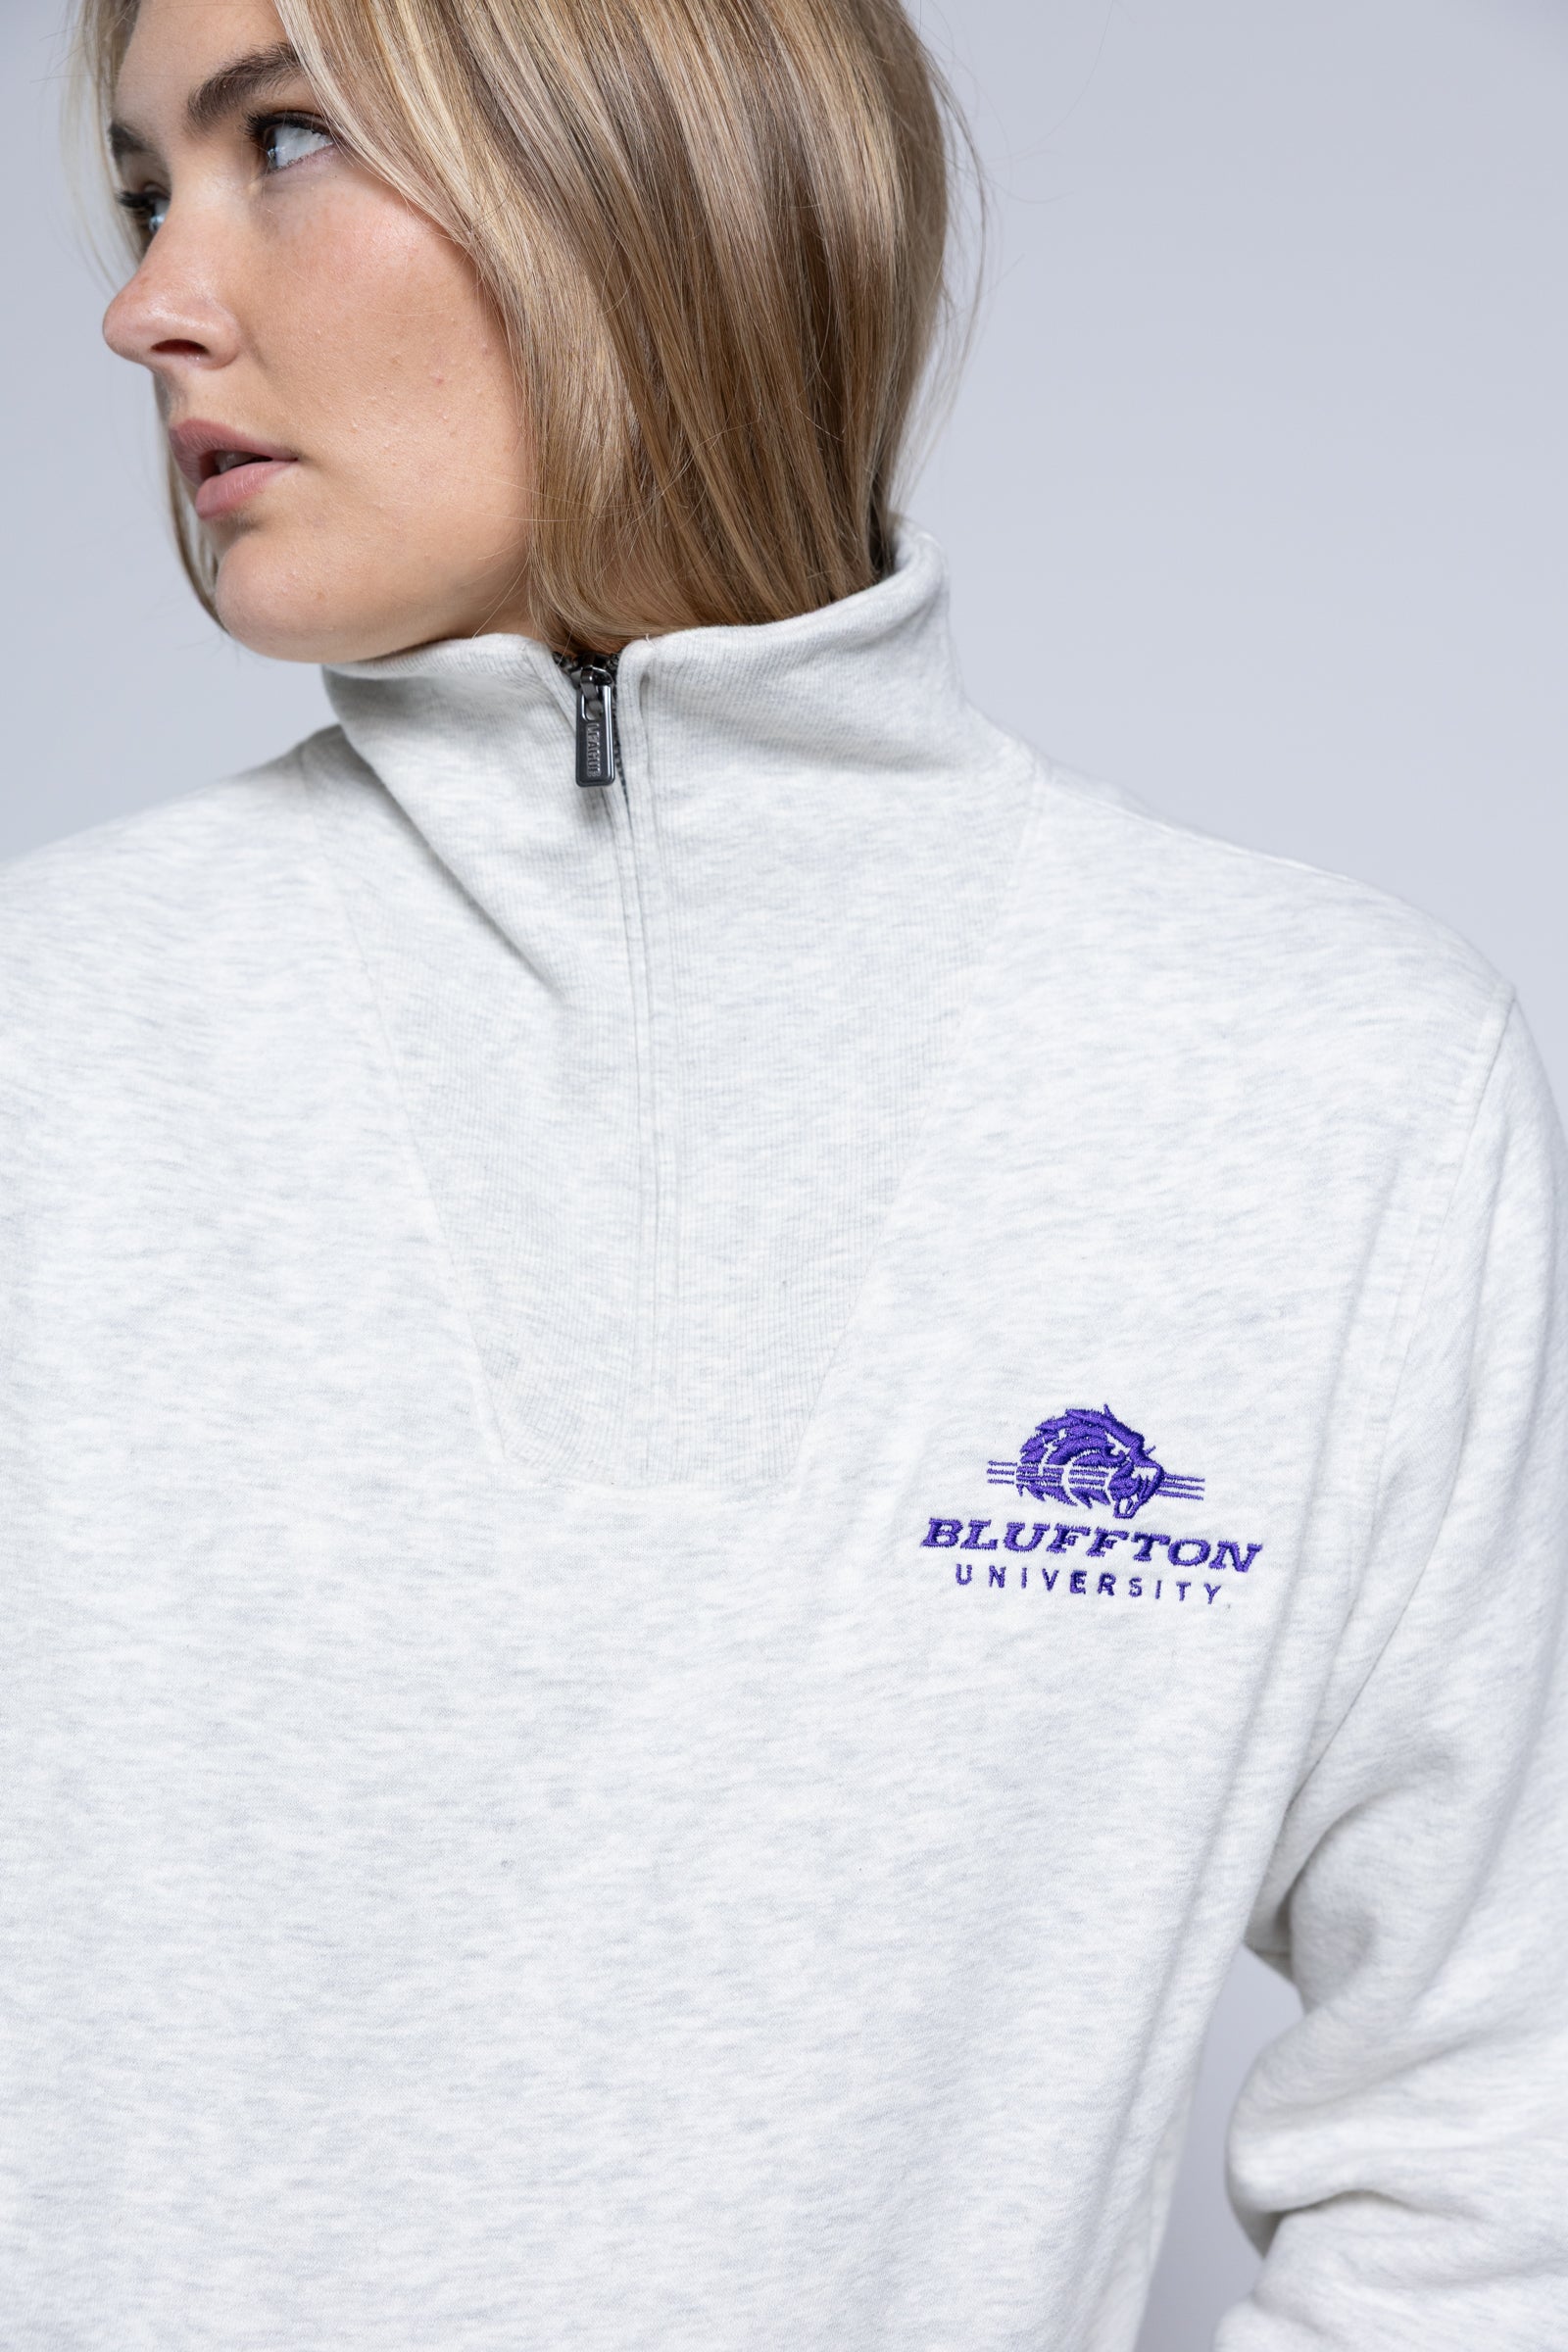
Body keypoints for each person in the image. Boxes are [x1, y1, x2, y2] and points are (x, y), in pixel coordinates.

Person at [2, 0, 1564, 2342]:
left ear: (655, 172)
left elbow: (1488, 2144)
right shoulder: (42, 1043)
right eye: (145, 194)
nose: (146, 304)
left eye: (287, 142)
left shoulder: (1323, 1083)